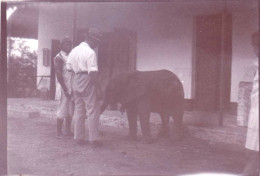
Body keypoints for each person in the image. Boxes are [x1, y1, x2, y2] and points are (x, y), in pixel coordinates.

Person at [67, 28, 103, 147]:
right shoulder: (90, 52)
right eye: (96, 42)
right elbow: (92, 72)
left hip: (76, 78)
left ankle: (79, 137)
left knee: (79, 110)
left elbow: (69, 68)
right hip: (88, 78)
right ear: (91, 40)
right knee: (92, 110)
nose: (96, 45)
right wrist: (97, 87)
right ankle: (94, 139)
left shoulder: (73, 51)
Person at [242, 31, 259, 176]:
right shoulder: (257, 64)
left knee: (253, 155)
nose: (255, 49)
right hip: (256, 115)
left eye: (257, 45)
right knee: (252, 153)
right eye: (254, 45)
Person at [54, 37, 74, 138]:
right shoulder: (59, 57)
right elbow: (58, 74)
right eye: (66, 44)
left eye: (70, 44)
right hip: (63, 87)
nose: (69, 46)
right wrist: (65, 88)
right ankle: (58, 133)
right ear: (61, 45)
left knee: (70, 109)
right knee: (62, 109)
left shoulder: (71, 56)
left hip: (71, 86)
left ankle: (68, 131)